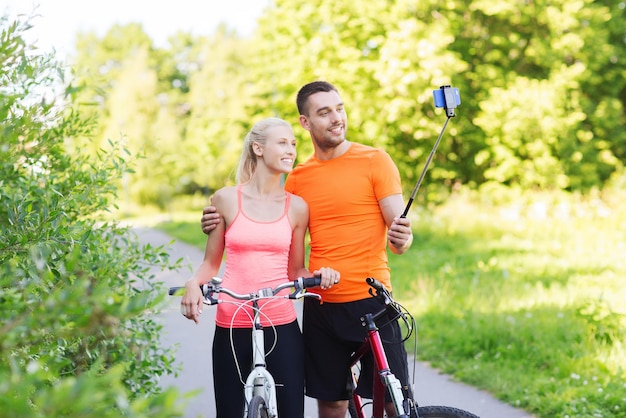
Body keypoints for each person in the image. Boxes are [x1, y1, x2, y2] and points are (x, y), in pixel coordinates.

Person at [201, 81, 414, 418]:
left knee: (393, 400)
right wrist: (218, 221)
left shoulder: (376, 160)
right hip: (321, 305)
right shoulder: (297, 178)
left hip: (372, 301)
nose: (336, 118)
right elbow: (270, 222)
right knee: (331, 404)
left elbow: (399, 233)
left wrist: (403, 236)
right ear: (306, 121)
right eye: (324, 112)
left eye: (339, 108)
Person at [181, 117, 340, 418]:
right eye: (282, 142)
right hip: (232, 323)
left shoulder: (297, 207)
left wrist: (321, 276)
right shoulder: (226, 199)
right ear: (258, 147)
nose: (291, 149)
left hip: (281, 322)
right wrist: (192, 284)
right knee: (229, 412)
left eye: (293, 143)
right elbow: (210, 263)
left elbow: (296, 272)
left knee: (291, 412)